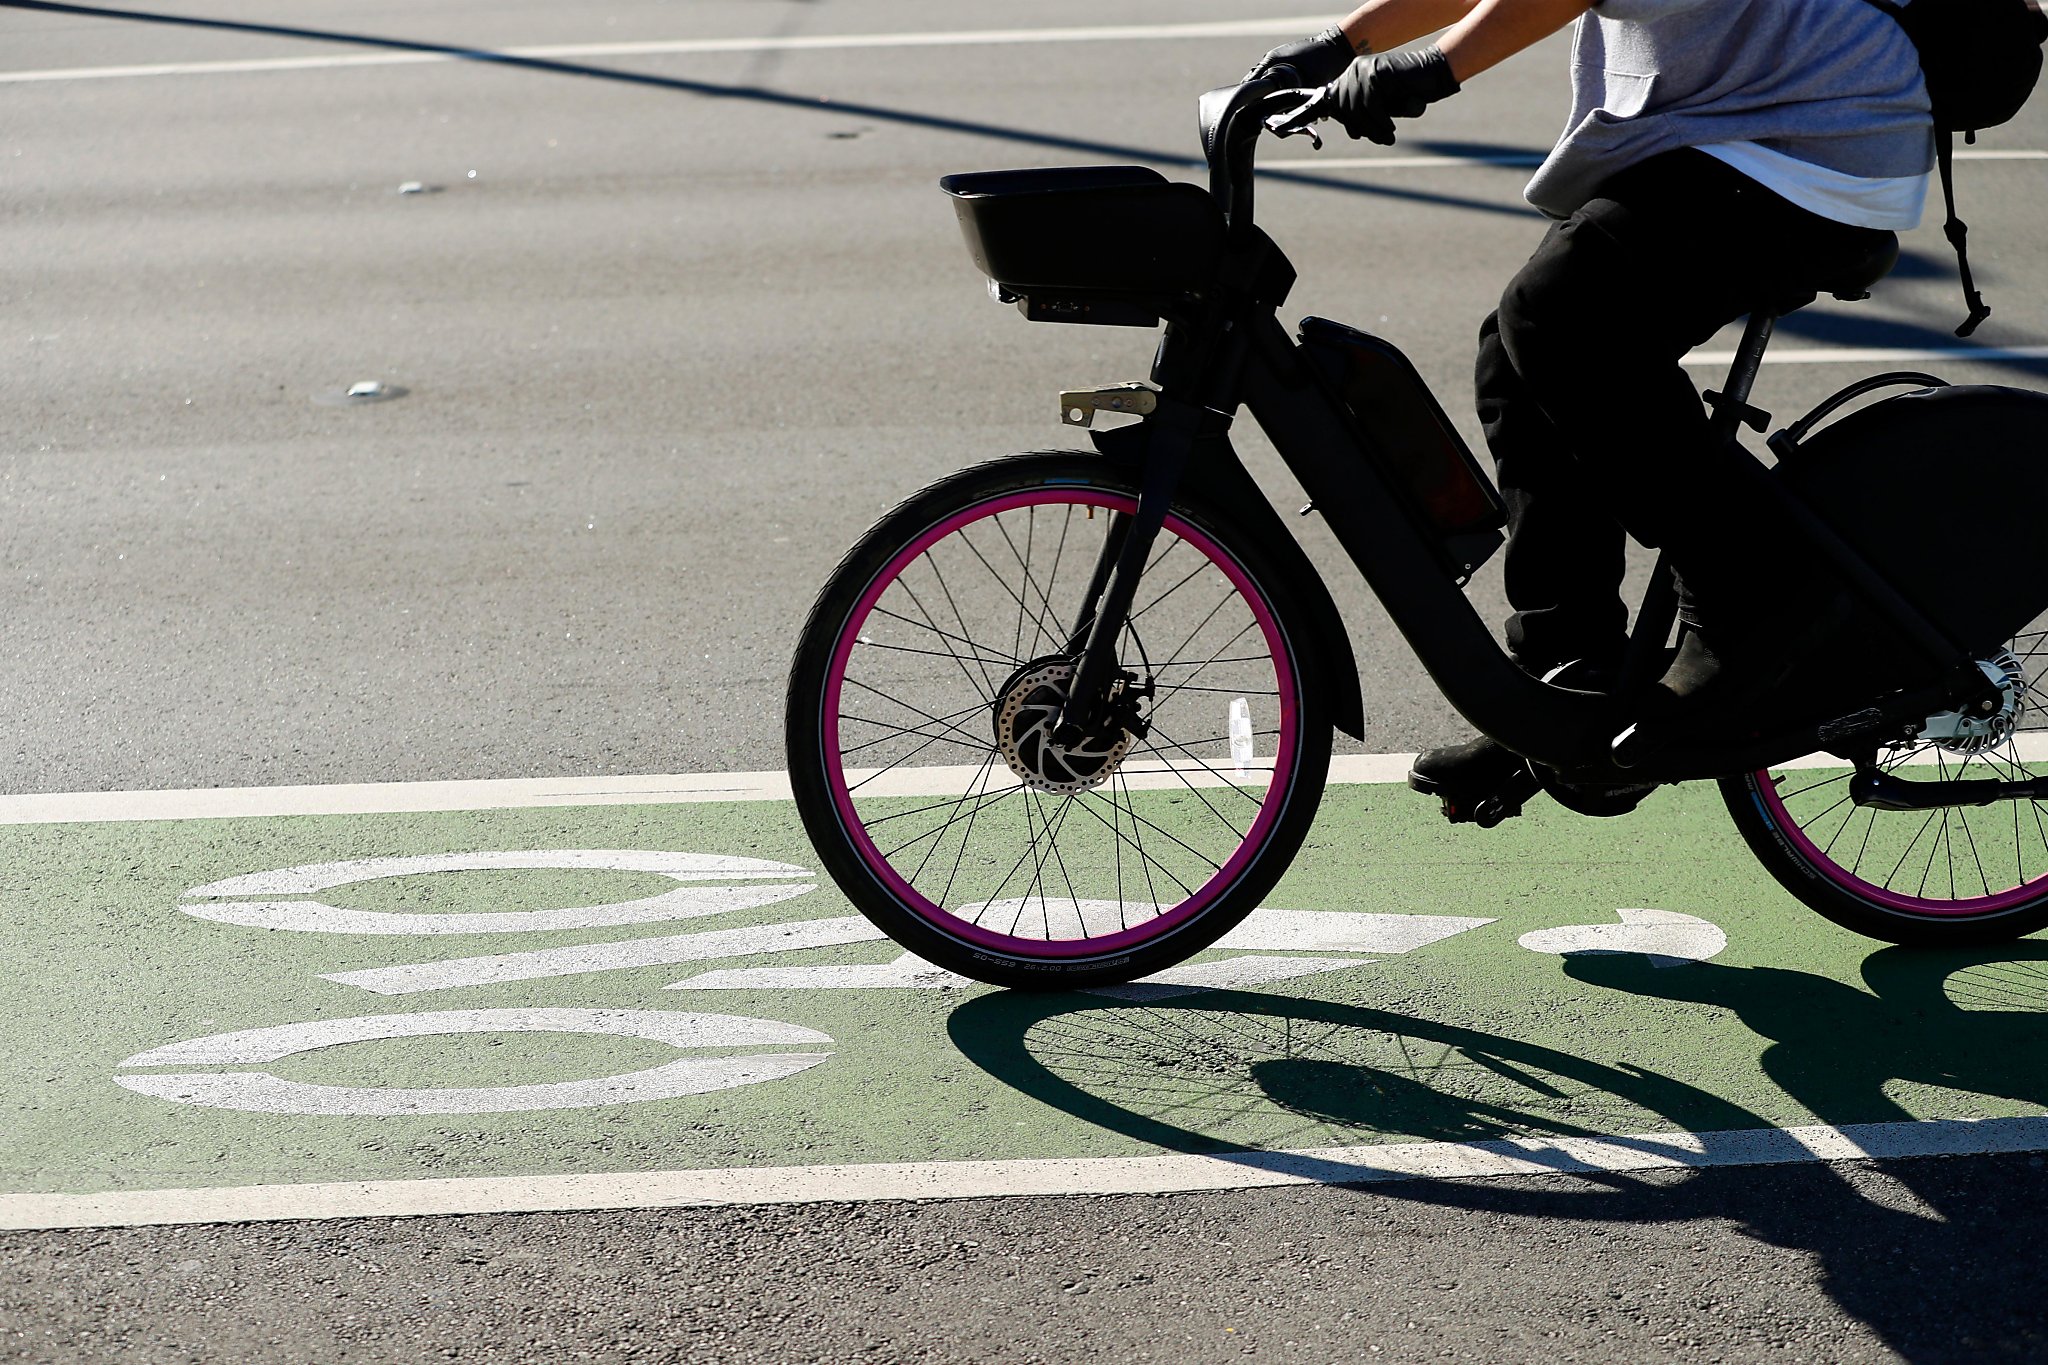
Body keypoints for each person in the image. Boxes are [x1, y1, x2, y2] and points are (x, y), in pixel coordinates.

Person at [1245, 0, 1935, 811]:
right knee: (1520, 355)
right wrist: (1338, 45)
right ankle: (1566, 688)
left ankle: (1752, 590)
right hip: (1741, 131)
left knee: (1557, 316)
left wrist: (1419, 70)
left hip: (1818, 141)